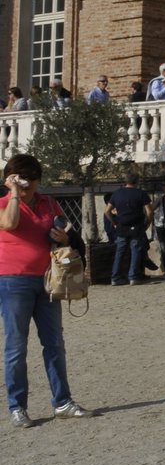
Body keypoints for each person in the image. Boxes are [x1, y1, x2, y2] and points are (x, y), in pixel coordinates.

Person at [1, 153, 93, 427]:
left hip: (48, 280)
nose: (28, 184)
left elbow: (65, 229)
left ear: (39, 180)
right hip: (12, 280)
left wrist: (63, 236)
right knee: (16, 346)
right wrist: (15, 193)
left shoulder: (49, 203)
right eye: (21, 178)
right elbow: (9, 224)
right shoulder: (5, 203)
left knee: (54, 343)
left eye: (32, 179)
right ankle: (17, 406)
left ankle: (62, 401)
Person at [106, 171, 152, 286]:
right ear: (137, 181)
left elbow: (107, 211)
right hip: (136, 226)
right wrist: (147, 223)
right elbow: (150, 211)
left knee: (120, 251)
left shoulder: (117, 194)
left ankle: (115, 277)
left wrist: (114, 222)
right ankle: (133, 276)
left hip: (122, 226)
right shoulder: (141, 193)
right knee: (135, 250)